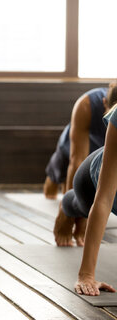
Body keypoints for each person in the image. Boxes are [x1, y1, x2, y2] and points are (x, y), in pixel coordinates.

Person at [51, 83, 117, 246]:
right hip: (72, 146)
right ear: (104, 105)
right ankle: (63, 200)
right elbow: (76, 160)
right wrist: (72, 213)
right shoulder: (86, 105)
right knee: (50, 186)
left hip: (104, 150)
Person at [62, 104, 117, 296]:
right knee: (78, 205)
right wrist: (86, 275)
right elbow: (104, 198)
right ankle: (66, 206)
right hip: (92, 183)